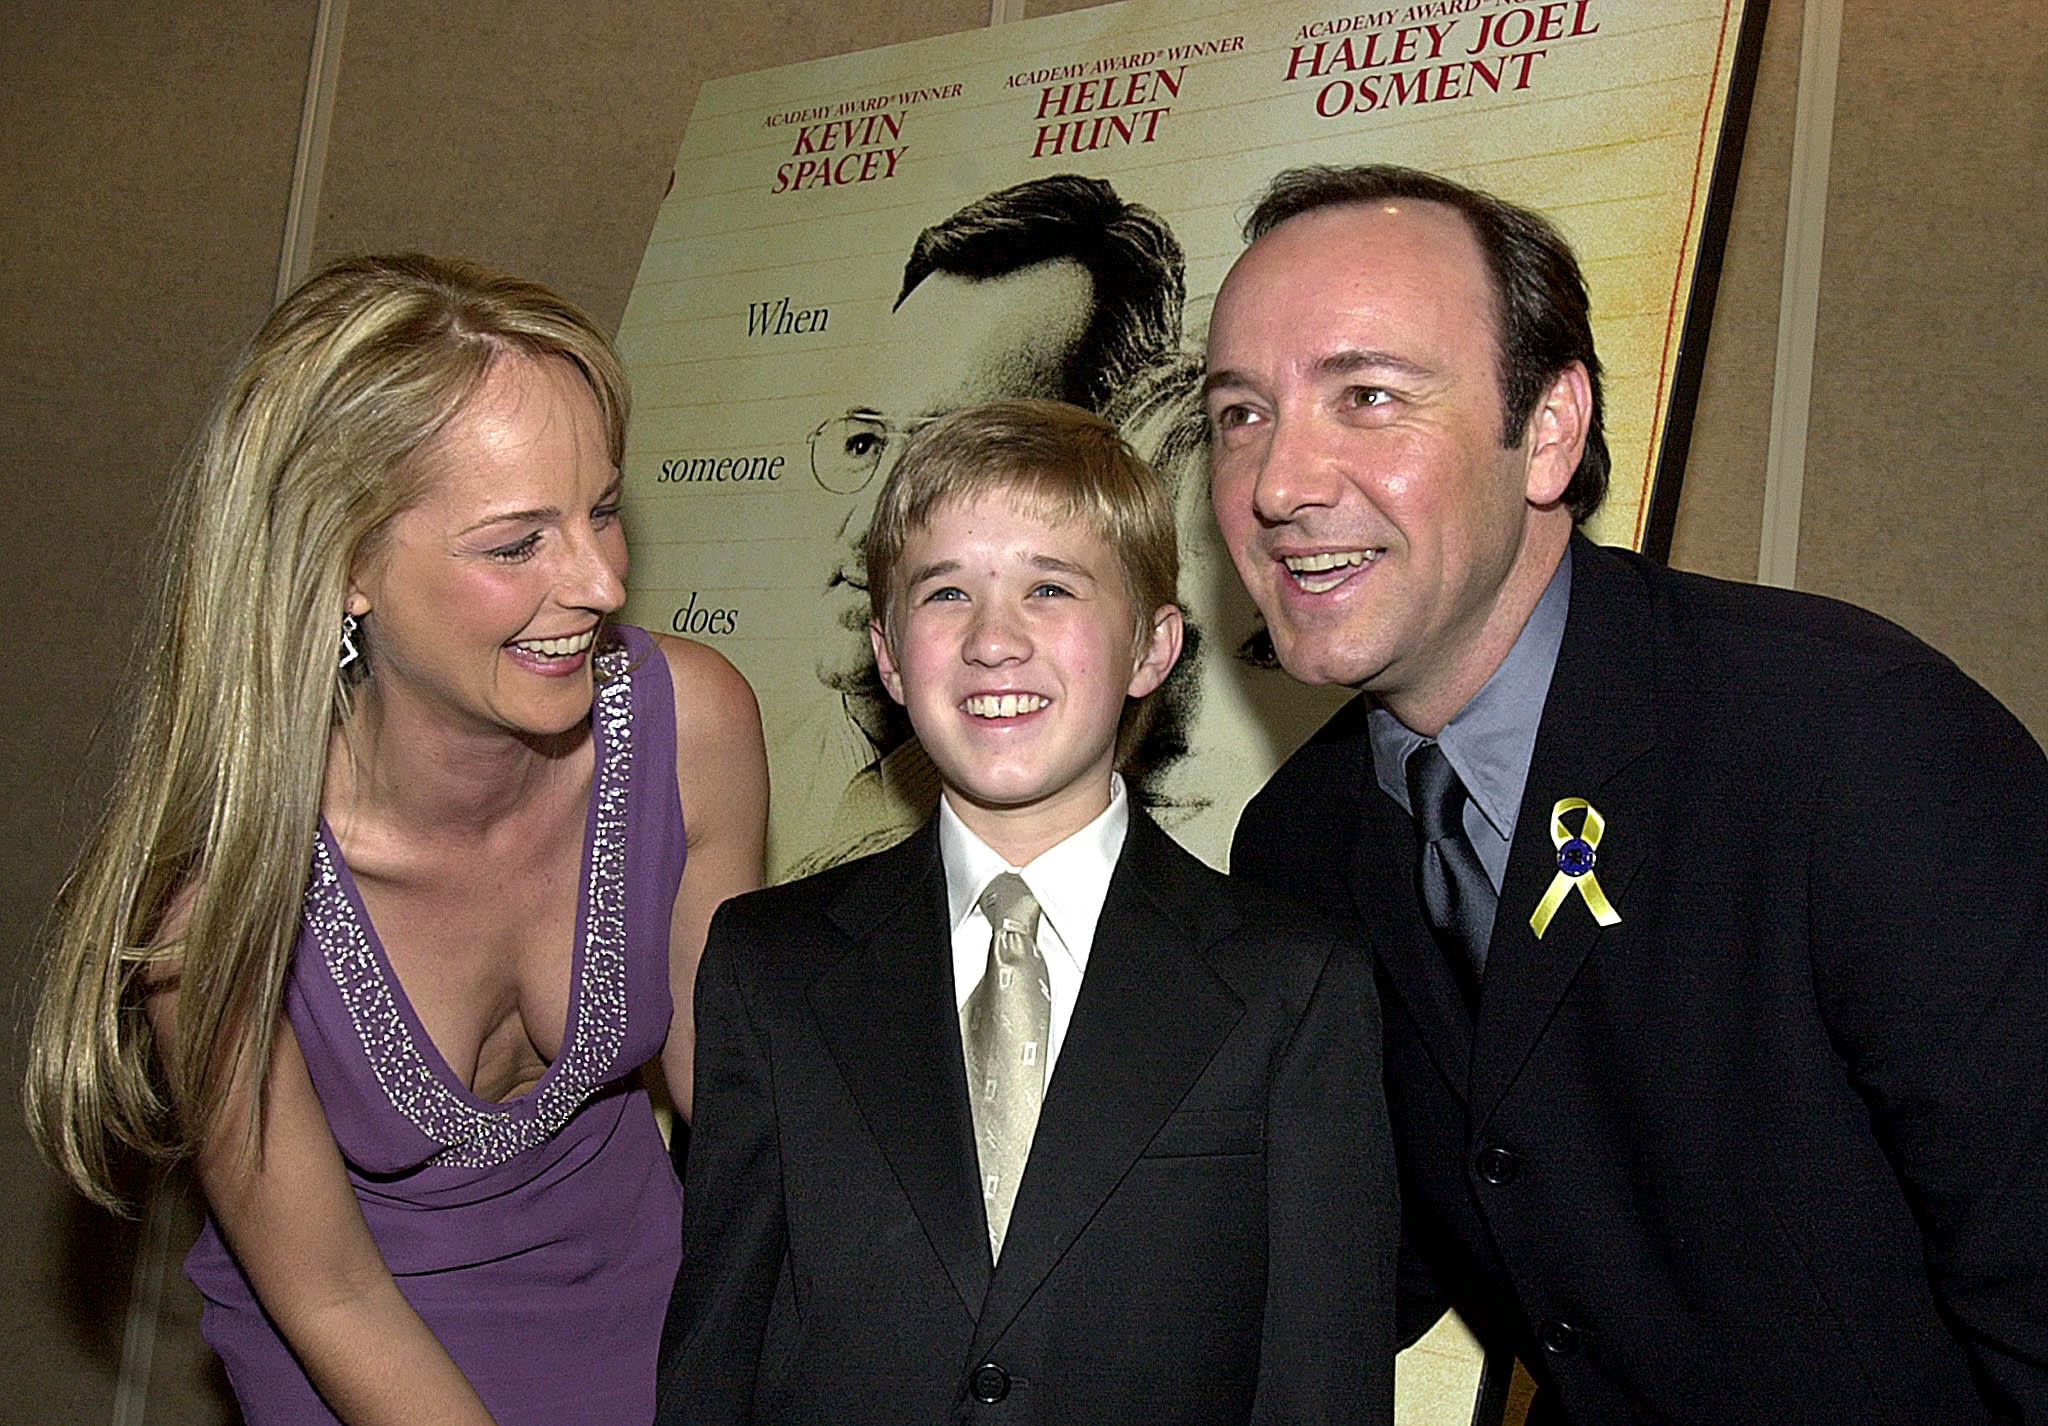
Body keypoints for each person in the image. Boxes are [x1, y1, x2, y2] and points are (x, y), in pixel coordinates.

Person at [1207, 163, 2048, 1423]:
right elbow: (1349, 1264)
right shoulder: (1298, 846)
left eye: (1367, 395)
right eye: (1236, 416)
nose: (1276, 483)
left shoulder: (1850, 742)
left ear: (1545, 429)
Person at [24, 254, 768, 1425]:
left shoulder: (692, 725)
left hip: (662, 1309)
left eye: (604, 509)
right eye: (517, 542)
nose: (602, 578)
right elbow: (330, 1296)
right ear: (347, 565)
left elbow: (735, 1113)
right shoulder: (216, 907)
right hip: (366, 1362)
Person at [659, 399, 1396, 1424]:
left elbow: (1322, 1381)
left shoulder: (1293, 985)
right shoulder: (766, 965)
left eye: (1048, 588)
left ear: (1150, 648)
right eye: (945, 591)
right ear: (886, 653)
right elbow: (715, 1353)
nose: (993, 640)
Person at [778, 175, 1190, 878]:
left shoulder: (1197, 832)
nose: (870, 521)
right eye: (865, 442)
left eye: (956, 458)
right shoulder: (753, 778)